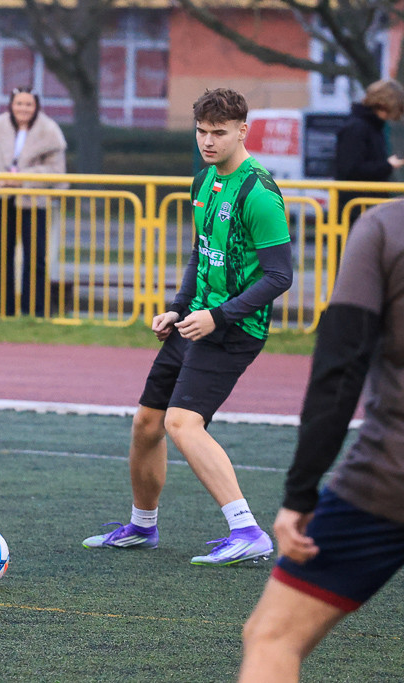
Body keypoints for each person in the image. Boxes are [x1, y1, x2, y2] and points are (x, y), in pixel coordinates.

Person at [82, 88, 293, 566]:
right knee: (147, 423)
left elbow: (281, 276)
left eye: (219, 133)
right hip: (196, 320)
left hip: (235, 328)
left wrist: (217, 315)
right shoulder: (204, 181)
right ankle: (142, 526)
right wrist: (179, 307)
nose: (208, 141)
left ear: (243, 130)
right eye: (201, 131)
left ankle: (249, 532)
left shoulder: (259, 192)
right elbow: (202, 252)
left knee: (182, 421)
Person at [239, 198, 404, 681]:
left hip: (388, 480)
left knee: (272, 637)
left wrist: (299, 494)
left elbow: (339, 370)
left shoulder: (385, 226)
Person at [0, 86, 66, 317]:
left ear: (36, 107)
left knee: (35, 256)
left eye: (28, 104)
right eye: (19, 103)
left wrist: (25, 181)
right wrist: (0, 179)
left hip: (34, 202)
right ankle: (4, 308)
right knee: (2, 253)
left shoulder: (49, 131)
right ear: (11, 105)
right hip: (3, 199)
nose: (23, 108)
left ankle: (34, 309)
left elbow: (57, 170)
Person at [334, 78, 404, 226]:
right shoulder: (357, 128)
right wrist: (387, 165)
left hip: (366, 208)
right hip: (355, 210)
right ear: (386, 105)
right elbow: (350, 169)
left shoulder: (372, 127)